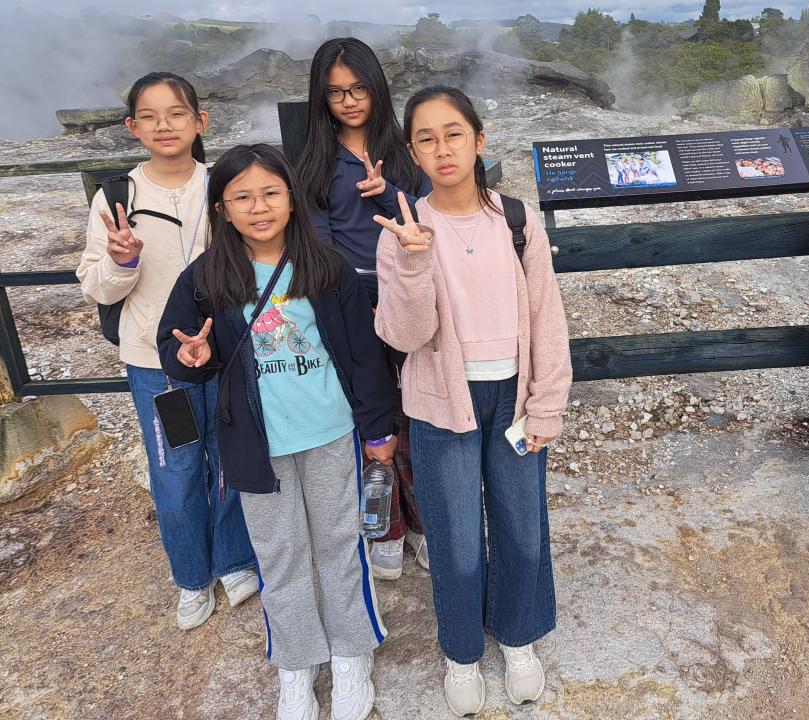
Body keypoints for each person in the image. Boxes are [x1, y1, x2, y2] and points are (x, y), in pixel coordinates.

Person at [158, 143, 399, 720]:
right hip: (256, 445)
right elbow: (177, 344)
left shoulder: (326, 268)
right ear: (221, 208)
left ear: (292, 199)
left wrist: (377, 428)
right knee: (280, 554)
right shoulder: (206, 277)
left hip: (330, 433)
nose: (259, 206)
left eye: (270, 192)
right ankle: (296, 663)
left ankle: (351, 652)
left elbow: (364, 356)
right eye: (242, 196)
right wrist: (189, 356)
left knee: (340, 545)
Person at [374, 85, 571, 717]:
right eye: (426, 138)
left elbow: (546, 316)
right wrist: (413, 264)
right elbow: (403, 337)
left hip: (514, 397)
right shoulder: (404, 231)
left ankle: (517, 638)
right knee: (456, 538)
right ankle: (461, 653)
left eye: (454, 133)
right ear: (412, 153)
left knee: (521, 524)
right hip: (441, 404)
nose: (443, 148)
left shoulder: (515, 220)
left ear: (479, 141)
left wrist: (547, 403)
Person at [76, 72, 256, 631]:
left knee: (231, 458)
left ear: (200, 122)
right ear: (132, 127)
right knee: (176, 467)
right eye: (150, 116)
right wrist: (122, 259)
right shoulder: (118, 198)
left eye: (177, 113)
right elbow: (96, 287)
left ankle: (234, 558)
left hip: (226, 358)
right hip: (160, 368)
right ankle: (192, 575)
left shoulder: (225, 185)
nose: (165, 126)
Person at [296, 36, 431, 580]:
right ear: (321, 98)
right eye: (335, 93)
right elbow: (319, 243)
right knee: (374, 416)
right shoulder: (315, 162)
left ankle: (425, 522)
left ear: (376, 87)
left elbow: (430, 216)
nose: (349, 101)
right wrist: (349, 305)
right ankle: (388, 528)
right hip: (352, 301)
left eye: (358, 89)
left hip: (412, 294)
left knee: (420, 409)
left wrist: (386, 191)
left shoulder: (405, 150)